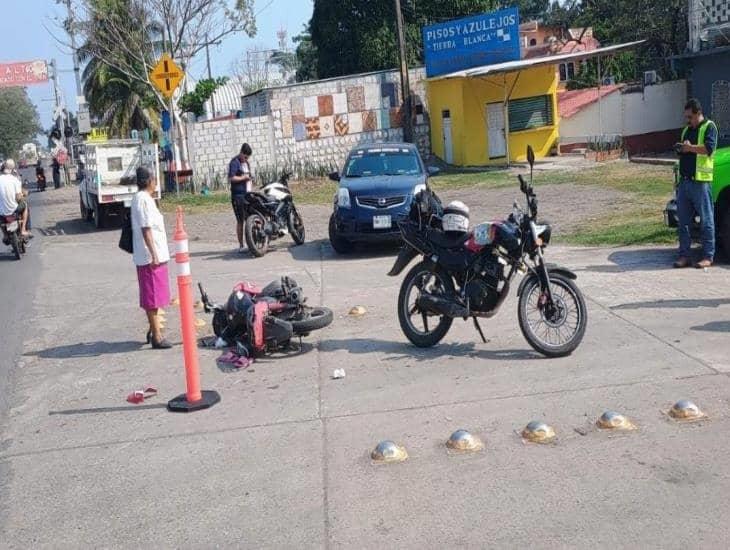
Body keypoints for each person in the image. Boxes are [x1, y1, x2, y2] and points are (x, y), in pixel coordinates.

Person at [131, 166, 172, 349]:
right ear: (148, 181)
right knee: (152, 298)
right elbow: (146, 229)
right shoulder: (143, 200)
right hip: (149, 257)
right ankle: (157, 336)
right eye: (154, 179)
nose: (156, 182)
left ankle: (153, 328)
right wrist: (154, 254)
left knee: (157, 296)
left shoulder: (146, 199)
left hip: (155, 255)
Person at [674, 98, 718, 269]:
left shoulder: (709, 127)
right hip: (685, 182)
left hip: (701, 182)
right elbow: (685, 151)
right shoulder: (686, 130)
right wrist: (681, 148)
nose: (688, 120)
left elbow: (708, 149)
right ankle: (684, 256)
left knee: (706, 220)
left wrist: (690, 148)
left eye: (690, 117)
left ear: (698, 113)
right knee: (683, 222)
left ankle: (708, 256)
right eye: (686, 117)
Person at [228, 143, 254, 252]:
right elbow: (231, 178)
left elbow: (249, 176)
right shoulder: (235, 162)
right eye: (245, 156)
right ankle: (241, 245)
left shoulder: (246, 163)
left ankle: (252, 243)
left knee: (250, 219)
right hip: (238, 196)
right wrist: (243, 178)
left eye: (248, 157)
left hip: (248, 195)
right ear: (241, 153)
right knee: (240, 221)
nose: (246, 159)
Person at [0, 159, 31, 237]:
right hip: (14, 209)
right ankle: (23, 229)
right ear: (13, 168)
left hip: (2, 211)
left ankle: (5, 235)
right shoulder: (14, 179)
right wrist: (22, 196)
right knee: (25, 205)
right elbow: (18, 197)